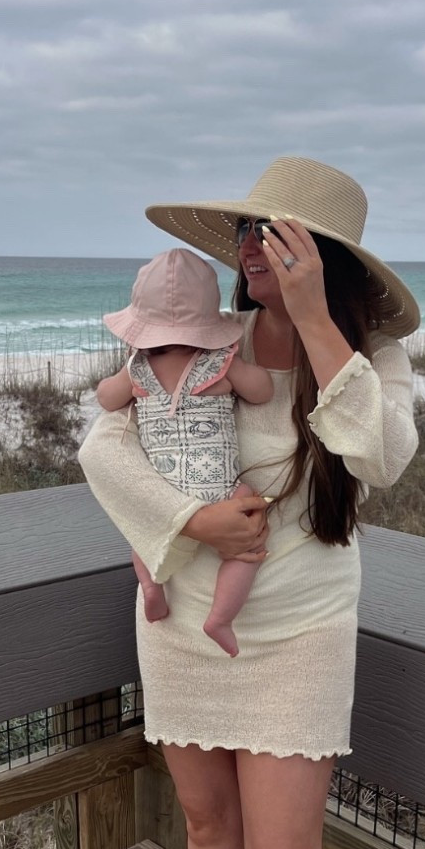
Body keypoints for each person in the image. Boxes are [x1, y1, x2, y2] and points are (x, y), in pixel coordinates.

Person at [79, 155, 420, 849]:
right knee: (206, 826)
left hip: (301, 636)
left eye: (274, 237)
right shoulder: (205, 335)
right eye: (245, 234)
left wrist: (315, 321)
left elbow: (380, 457)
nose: (246, 251)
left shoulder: (371, 362)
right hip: (185, 626)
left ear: (327, 262)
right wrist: (193, 522)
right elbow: (102, 445)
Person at [96, 249, 274, 656]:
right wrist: (243, 372)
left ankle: (150, 584)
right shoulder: (220, 365)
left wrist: (126, 379)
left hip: (165, 490)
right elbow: (262, 392)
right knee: (249, 540)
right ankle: (221, 618)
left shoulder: (137, 370)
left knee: (140, 528)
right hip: (218, 490)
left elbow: (107, 399)